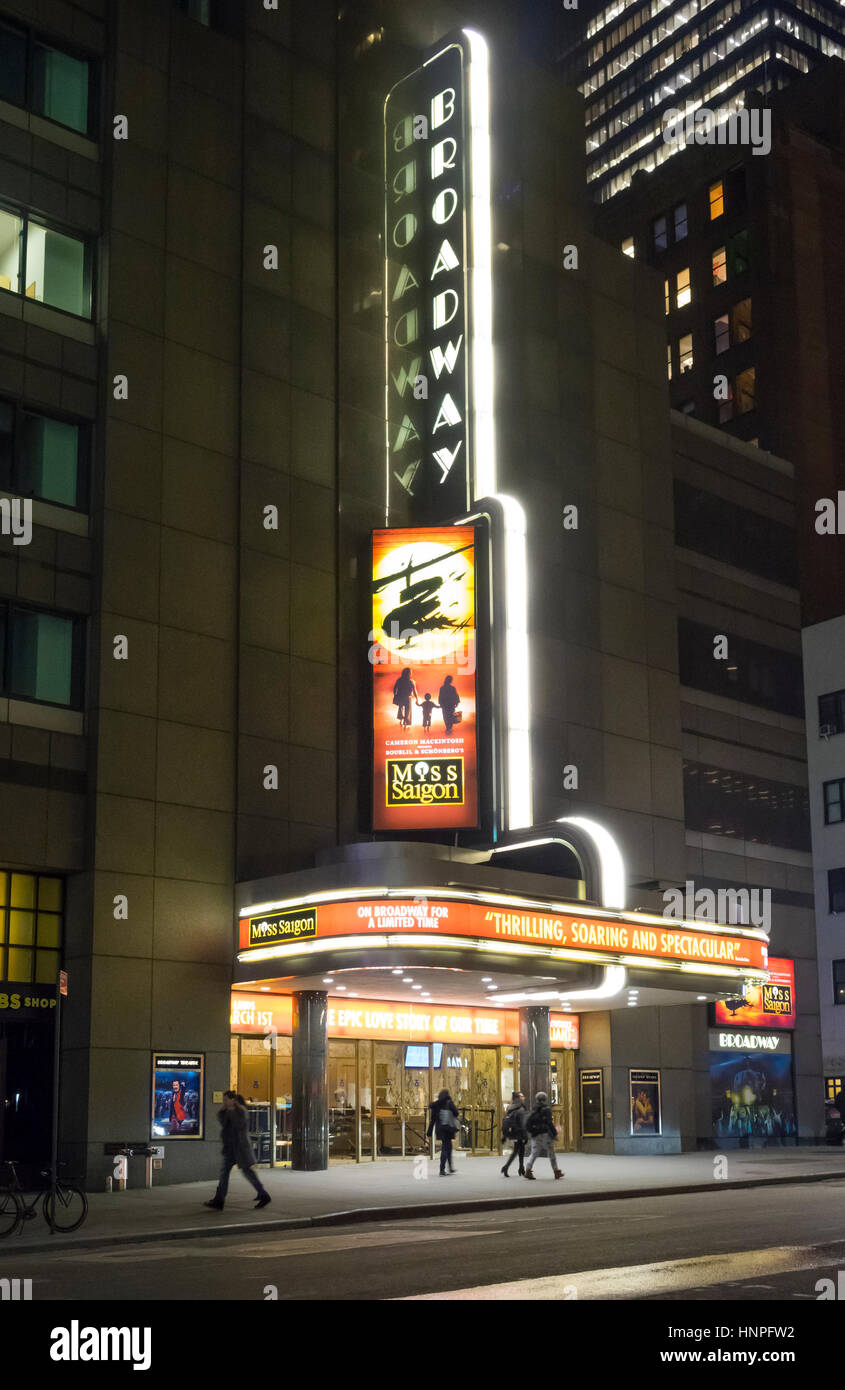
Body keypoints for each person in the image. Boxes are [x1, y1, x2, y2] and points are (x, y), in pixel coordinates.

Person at [204, 1091, 271, 1210]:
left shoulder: (241, 1111)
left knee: (247, 1172)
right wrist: (224, 1111)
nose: (224, 1103)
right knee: (225, 1173)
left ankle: (263, 1194)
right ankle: (219, 1199)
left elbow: (238, 1125)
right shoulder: (226, 1111)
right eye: (223, 1100)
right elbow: (223, 1122)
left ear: (232, 1100)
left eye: (226, 1100)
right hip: (230, 1148)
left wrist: (230, 1111)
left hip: (240, 1148)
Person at [523, 1091, 563, 1180]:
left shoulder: (534, 1109)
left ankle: (528, 1170)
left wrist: (531, 1133)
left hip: (535, 1135)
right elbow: (549, 1123)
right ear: (545, 1099)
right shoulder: (547, 1109)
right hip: (545, 1134)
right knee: (551, 1153)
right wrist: (554, 1134)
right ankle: (556, 1172)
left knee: (534, 1153)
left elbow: (528, 1123)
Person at [427, 1088, 459, 1175]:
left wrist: (429, 1132)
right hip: (448, 1128)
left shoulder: (436, 1105)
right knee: (447, 1148)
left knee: (446, 1147)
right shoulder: (449, 1102)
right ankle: (443, 1169)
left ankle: (449, 1168)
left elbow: (432, 1120)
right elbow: (456, 1113)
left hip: (440, 1129)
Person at [501, 1091, 527, 1177]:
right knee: (516, 1151)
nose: (524, 1097)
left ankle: (521, 1168)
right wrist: (525, 1135)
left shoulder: (511, 1107)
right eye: (522, 1096)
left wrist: (505, 1135)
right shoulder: (521, 1108)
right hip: (519, 1132)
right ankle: (506, 1167)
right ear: (518, 1098)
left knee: (521, 1150)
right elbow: (522, 1123)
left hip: (514, 1131)